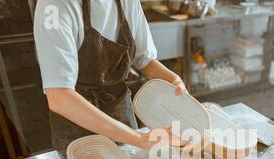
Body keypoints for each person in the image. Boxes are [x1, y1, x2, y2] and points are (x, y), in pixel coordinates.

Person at [34, 0, 186, 150]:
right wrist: (139, 138)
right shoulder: (54, 5)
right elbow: (59, 97)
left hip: (121, 114)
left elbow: (143, 59)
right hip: (77, 126)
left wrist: (173, 79)